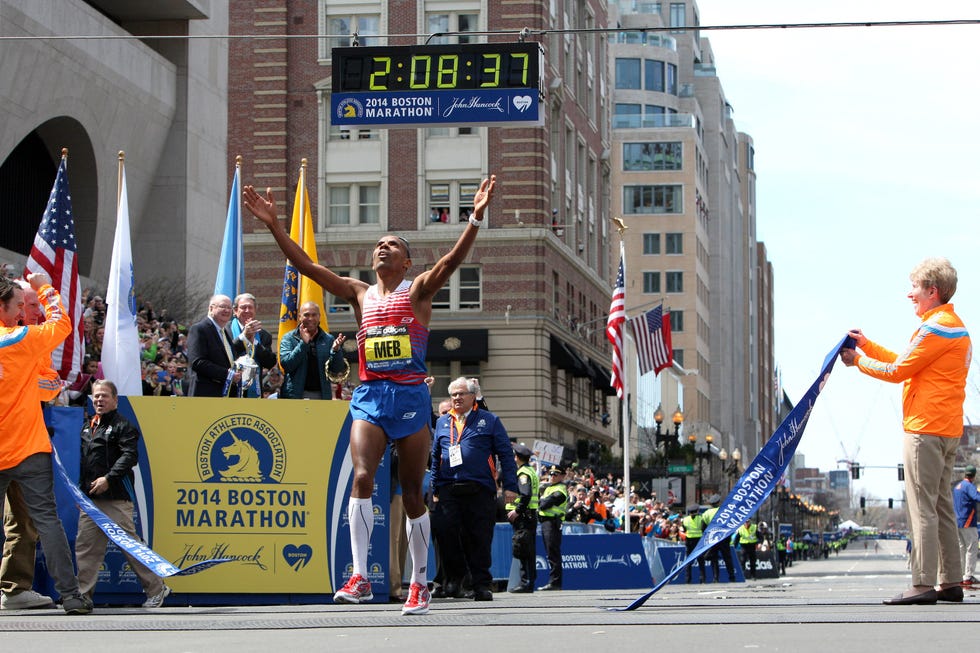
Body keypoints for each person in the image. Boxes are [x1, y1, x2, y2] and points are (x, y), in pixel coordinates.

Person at [244, 172, 497, 615]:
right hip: (370, 395)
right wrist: (273, 227)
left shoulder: (417, 290)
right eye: (378, 243)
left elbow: (449, 264)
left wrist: (474, 218)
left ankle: (420, 583)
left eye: (392, 245)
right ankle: (360, 575)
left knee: (414, 493)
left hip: (410, 398)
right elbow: (307, 267)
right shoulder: (359, 293)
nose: (383, 247)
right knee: (363, 477)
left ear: (405, 262)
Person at [840, 257, 971, 605]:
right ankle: (950, 581)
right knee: (942, 506)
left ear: (932, 290)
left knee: (922, 508)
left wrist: (858, 362)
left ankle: (923, 582)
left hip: (924, 429)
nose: (909, 294)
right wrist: (868, 345)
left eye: (914, 288)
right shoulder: (953, 327)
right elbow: (909, 363)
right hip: (947, 429)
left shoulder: (934, 328)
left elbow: (898, 371)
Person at [0, 273, 92, 614]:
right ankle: (70, 596)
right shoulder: (22, 338)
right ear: (4, 307)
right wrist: (44, 286)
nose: (23, 311)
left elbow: (45, 386)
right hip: (27, 447)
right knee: (48, 522)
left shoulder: (22, 338)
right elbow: (62, 323)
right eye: (19, 306)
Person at [74, 380, 170, 608]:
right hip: (91, 501)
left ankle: (157, 589)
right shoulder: (88, 427)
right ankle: (82, 598)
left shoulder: (123, 425)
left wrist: (108, 479)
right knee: (86, 548)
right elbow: (85, 464)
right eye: (96, 396)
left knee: (130, 546)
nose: (99, 400)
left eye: (104, 396)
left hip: (116, 498)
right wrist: (81, 494)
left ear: (115, 400)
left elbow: (129, 457)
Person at [0, 279, 59, 610]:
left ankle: (14, 588)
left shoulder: (32, 341)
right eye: (24, 305)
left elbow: (50, 385)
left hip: (24, 445)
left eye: (32, 306)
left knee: (23, 521)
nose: (30, 312)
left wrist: (26, 381)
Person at [431, 377, 518, 601]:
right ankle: (455, 580)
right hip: (448, 488)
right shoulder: (442, 423)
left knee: (478, 538)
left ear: (473, 396)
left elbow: (506, 454)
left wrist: (510, 486)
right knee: (446, 535)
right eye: (454, 395)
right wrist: (435, 488)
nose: (457, 398)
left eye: (462, 394)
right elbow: (434, 457)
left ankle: (480, 584)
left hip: (480, 489)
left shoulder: (489, 420)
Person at [278, 301, 348, 399]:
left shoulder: (328, 339)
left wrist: (336, 351)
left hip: (321, 396)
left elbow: (336, 370)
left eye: (314, 315)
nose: (310, 318)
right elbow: (287, 365)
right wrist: (303, 344)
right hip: (295, 396)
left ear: (319, 317)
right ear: (300, 317)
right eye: (306, 315)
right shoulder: (289, 338)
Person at [186, 294, 245, 397]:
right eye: (222, 306)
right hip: (206, 395)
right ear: (211, 308)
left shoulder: (225, 332)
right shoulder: (199, 329)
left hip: (226, 394)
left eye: (229, 307)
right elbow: (197, 362)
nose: (226, 310)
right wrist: (228, 375)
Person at [230, 293, 278, 397]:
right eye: (243, 307)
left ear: (255, 310)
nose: (247, 310)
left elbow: (270, 362)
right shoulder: (226, 330)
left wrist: (254, 343)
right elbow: (228, 353)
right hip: (230, 388)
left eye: (250, 307)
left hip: (254, 390)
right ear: (235, 310)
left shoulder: (264, 335)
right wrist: (244, 337)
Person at [507, 444, 538, 593]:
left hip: (524, 516)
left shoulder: (523, 473)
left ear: (517, 458)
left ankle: (525, 582)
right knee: (529, 548)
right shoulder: (531, 471)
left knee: (522, 547)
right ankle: (529, 582)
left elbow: (525, 494)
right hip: (530, 515)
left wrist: (517, 511)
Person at [537, 463, 568, 591]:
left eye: (555, 474)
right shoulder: (549, 488)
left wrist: (542, 502)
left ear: (562, 476)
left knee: (553, 553)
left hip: (552, 523)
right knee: (550, 553)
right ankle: (553, 582)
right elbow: (542, 502)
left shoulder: (560, 490)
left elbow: (544, 504)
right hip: (546, 523)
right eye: (550, 473)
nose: (552, 476)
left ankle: (555, 582)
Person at [952, 465, 980, 587]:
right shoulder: (969, 486)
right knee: (971, 548)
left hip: (958, 521)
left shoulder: (957, 487)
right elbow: (976, 497)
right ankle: (968, 576)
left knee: (962, 548)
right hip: (968, 521)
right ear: (974, 475)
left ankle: (961, 575)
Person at [702, 493, 737, 583]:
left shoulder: (706, 513)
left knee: (714, 559)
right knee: (727, 558)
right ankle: (732, 577)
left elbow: (703, 528)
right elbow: (730, 524)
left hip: (713, 538)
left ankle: (716, 577)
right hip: (724, 537)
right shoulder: (724, 511)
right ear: (718, 502)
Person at [681, 504, 706, 583]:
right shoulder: (701, 518)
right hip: (698, 540)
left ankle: (688, 579)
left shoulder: (685, 519)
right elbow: (703, 528)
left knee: (689, 561)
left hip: (689, 540)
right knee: (701, 560)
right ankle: (702, 578)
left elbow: (684, 529)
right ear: (697, 511)